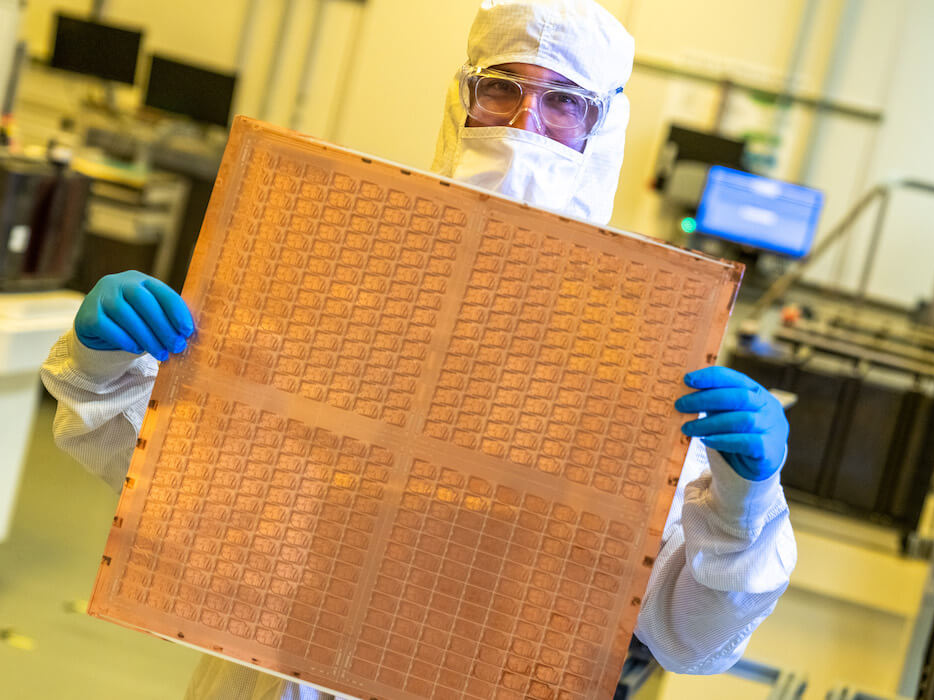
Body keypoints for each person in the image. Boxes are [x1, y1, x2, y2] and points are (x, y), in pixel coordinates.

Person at [40, 1, 796, 698]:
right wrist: (104, 367)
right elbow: (194, 474)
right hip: (287, 673)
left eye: (564, 102)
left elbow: (691, 637)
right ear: (462, 99)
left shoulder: (640, 344)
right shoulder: (347, 271)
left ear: (603, 131)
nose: (524, 125)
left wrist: (742, 507)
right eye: (501, 90)